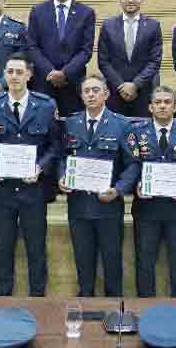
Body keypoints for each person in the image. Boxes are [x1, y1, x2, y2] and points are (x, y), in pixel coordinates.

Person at [0, 52, 58, 296]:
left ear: (29, 74)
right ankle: (2, 298)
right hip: (2, 191)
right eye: (10, 72)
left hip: (33, 191)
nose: (14, 76)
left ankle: (38, 299)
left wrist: (41, 167)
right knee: (3, 249)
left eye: (19, 72)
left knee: (36, 249)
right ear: (4, 75)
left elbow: (55, 146)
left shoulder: (46, 105)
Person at [58, 73, 139, 297]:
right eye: (87, 91)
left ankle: (114, 314)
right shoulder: (71, 123)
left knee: (112, 265)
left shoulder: (122, 124)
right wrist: (63, 176)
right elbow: (63, 157)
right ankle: (86, 314)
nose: (91, 94)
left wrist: (119, 189)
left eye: (96, 90)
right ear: (81, 96)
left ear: (106, 94)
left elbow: (133, 164)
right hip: (79, 207)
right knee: (83, 267)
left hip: (108, 207)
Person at [128, 85, 176, 297]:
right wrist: (136, 186)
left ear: (175, 107)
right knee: (144, 262)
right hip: (146, 209)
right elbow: (131, 165)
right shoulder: (137, 131)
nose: (162, 106)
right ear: (150, 107)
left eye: (167, 102)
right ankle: (145, 308)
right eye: (158, 102)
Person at [26, 0, 96, 116]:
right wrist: (51, 72)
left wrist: (64, 73)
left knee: (72, 132)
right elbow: (32, 47)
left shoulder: (86, 13)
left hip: (72, 84)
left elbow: (86, 50)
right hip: (43, 83)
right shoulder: (37, 11)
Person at [98, 0, 163, 117]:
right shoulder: (107, 26)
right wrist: (121, 85)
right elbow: (103, 61)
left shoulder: (153, 26)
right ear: (120, 0)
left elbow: (155, 61)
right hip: (115, 93)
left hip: (143, 93)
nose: (131, 0)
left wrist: (135, 85)